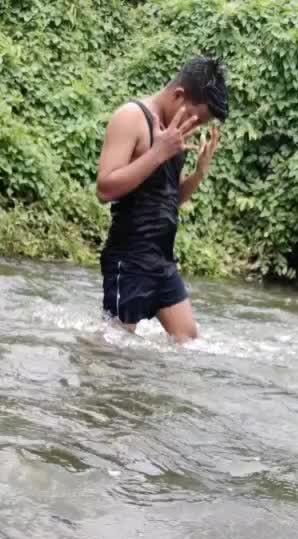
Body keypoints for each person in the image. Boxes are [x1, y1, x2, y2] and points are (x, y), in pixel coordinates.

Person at [97, 56, 229, 342]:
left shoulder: (173, 135)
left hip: (162, 260)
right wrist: (158, 152)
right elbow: (105, 189)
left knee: (188, 340)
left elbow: (169, 199)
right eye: (195, 117)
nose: (195, 125)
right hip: (129, 259)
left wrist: (198, 173)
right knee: (113, 348)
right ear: (179, 95)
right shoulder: (131, 117)